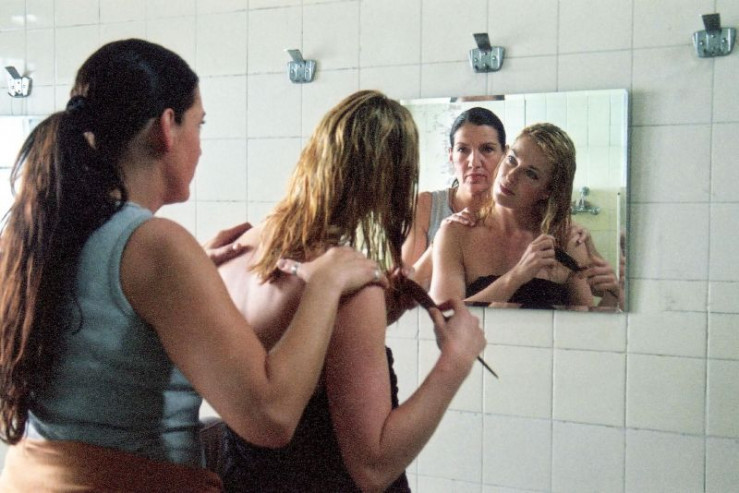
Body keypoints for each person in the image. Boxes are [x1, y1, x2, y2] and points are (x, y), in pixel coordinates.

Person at [0, 39, 383, 492]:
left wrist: (184, 271)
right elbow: (271, 417)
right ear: (166, 127)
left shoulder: (30, 235)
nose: (200, 147)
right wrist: (324, 284)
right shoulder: (157, 245)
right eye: (199, 124)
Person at [215, 90, 487, 492]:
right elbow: (373, 468)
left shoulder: (234, 252)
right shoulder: (347, 285)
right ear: (392, 179)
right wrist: (455, 360)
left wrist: (381, 313)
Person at [430, 122, 621, 310]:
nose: (511, 176)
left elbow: (585, 326)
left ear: (547, 190)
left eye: (530, 174)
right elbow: (444, 316)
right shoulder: (456, 233)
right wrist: (517, 276)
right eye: (512, 160)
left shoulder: (566, 241)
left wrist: (613, 295)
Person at [401, 107, 506, 289]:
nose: (474, 162)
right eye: (463, 150)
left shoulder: (513, 212)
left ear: (504, 154)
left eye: (487, 149)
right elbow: (404, 290)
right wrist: (441, 241)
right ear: (451, 154)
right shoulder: (425, 206)